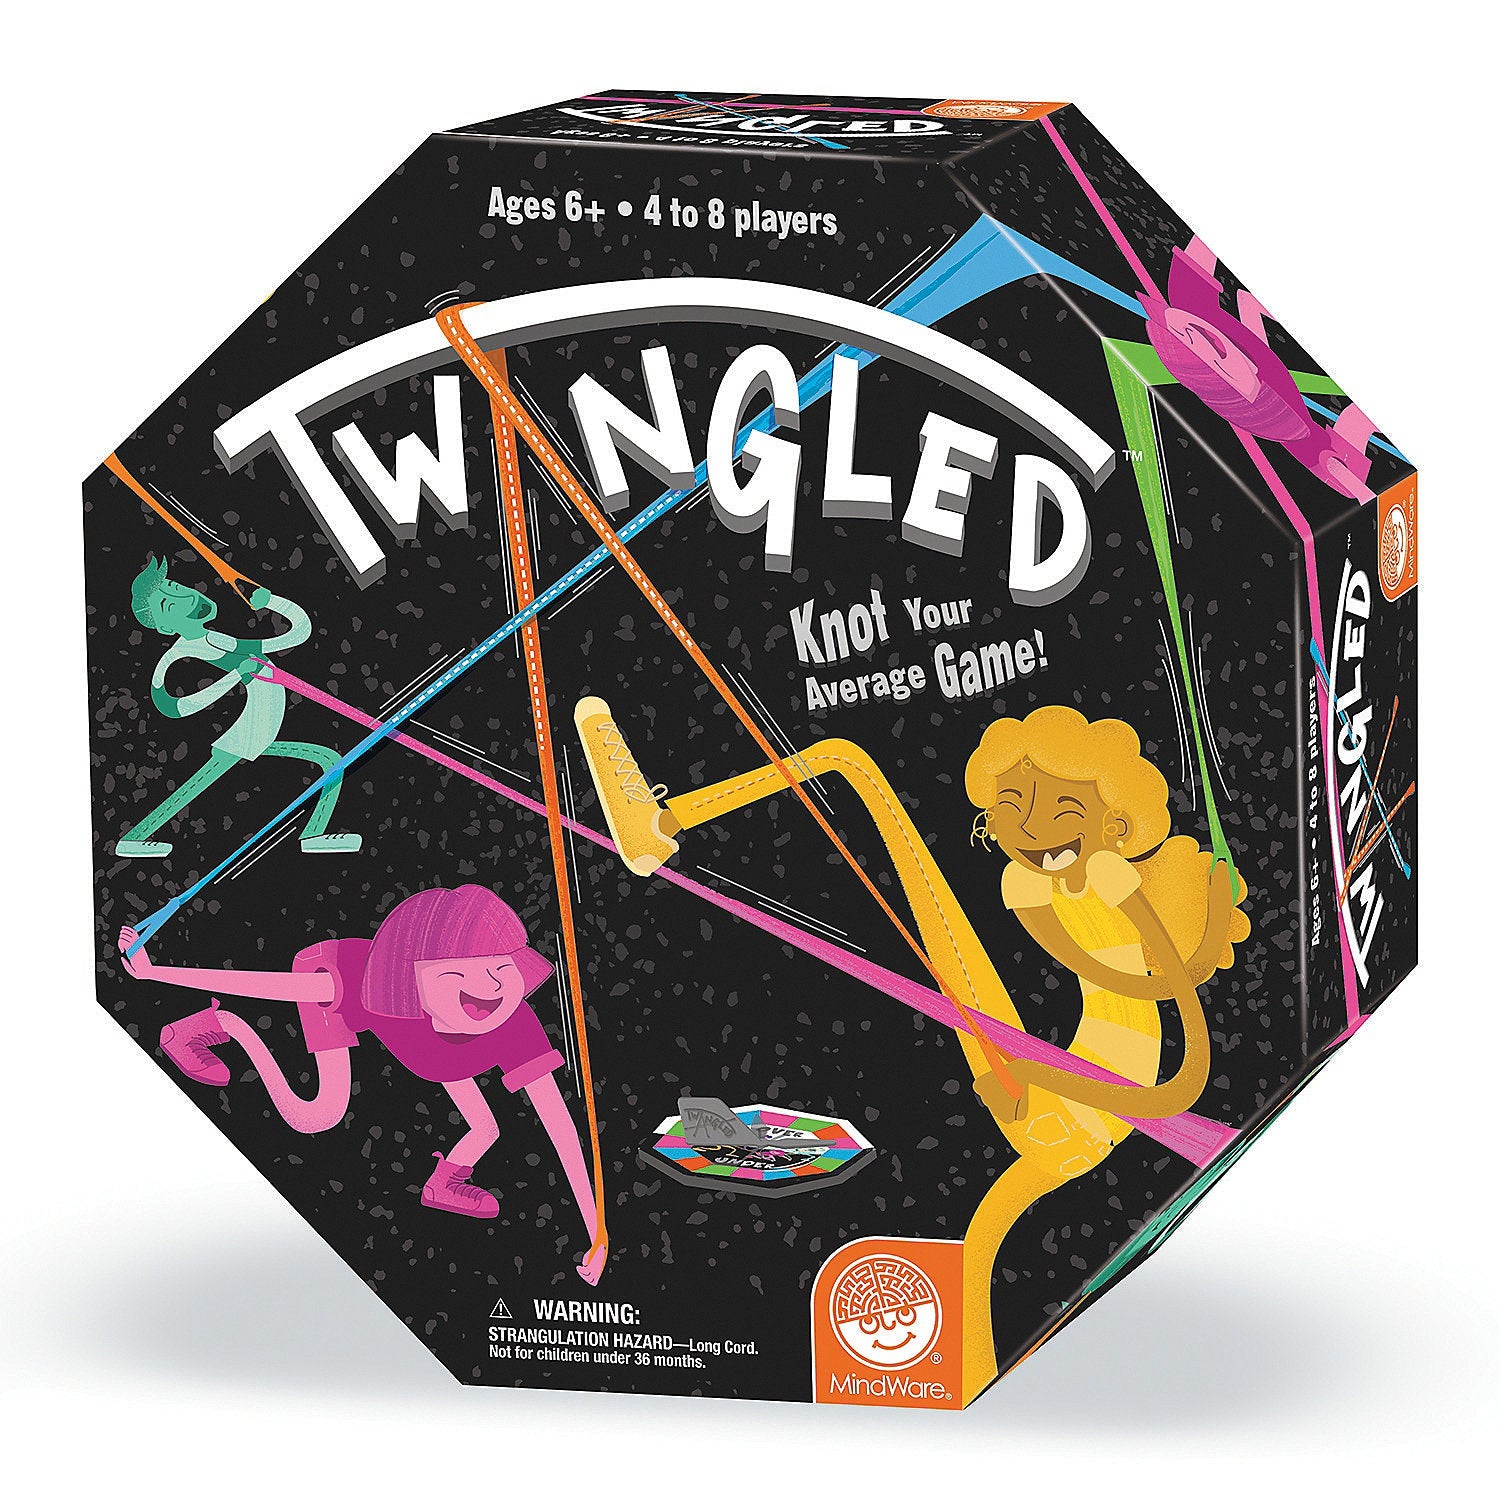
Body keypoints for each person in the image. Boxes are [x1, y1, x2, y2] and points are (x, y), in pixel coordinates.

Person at [574, 696, 1247, 1394]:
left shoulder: (1110, 885)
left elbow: (1179, 1085)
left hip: (1066, 1103)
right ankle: (660, 824)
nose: (1030, 828)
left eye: (1059, 809)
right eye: (1011, 807)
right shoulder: (1038, 883)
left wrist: (1049, 1082)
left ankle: (660, 824)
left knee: (850, 761)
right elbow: (1089, 966)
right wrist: (1044, 1075)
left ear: (1115, 824)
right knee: (980, 1246)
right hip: (1049, 1086)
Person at [119, 883, 603, 1284]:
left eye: (502, 967)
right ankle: (218, 1026)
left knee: (487, 1129)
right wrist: (155, 973)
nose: (493, 986)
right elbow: (267, 985)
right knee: (315, 1115)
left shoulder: (516, 1025)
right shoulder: (356, 984)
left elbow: (560, 1129)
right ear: (413, 982)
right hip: (341, 978)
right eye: (460, 971)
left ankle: (443, 1185)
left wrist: (597, 1232)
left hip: (439, 1056)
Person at [115, 555, 360, 858]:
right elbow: (175, 707)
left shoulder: (219, 640)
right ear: (166, 627)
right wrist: (235, 676)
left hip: (262, 728)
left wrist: (272, 602)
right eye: (168, 603)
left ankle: (313, 835)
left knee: (328, 759)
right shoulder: (179, 656)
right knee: (326, 760)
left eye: (174, 586)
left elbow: (297, 634)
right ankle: (134, 838)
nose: (181, 595)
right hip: (248, 731)